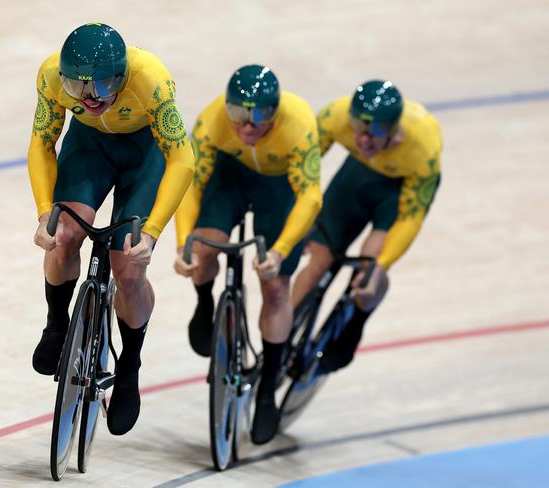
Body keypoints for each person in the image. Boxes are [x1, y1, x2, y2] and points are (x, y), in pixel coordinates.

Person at [27, 23, 194, 436]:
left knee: (129, 268)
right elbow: (41, 143)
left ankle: (130, 364)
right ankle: (56, 323)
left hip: (145, 155)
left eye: (103, 84)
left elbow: (182, 161)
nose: (91, 96)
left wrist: (152, 232)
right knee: (63, 236)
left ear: (122, 75)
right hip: (90, 149)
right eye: (78, 86)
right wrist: (44, 211)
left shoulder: (151, 80)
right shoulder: (50, 76)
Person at [173, 64, 322, 444]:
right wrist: (184, 242)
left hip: (279, 186)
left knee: (275, 286)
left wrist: (281, 250)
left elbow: (310, 195)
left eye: (259, 117)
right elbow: (191, 183)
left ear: (276, 111)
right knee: (204, 250)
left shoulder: (300, 123)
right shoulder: (211, 122)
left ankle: (268, 388)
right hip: (231, 177)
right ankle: (205, 302)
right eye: (239, 115)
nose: (247, 126)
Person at [292, 80, 442, 373]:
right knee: (318, 261)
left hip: (397, 193)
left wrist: (380, 264)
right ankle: (281, 340)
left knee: (368, 271)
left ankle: (355, 325)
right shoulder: (335, 116)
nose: (363, 138)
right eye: (358, 127)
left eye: (374, 132)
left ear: (393, 130)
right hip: (357, 178)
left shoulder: (423, 148)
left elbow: (410, 218)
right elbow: (301, 163)